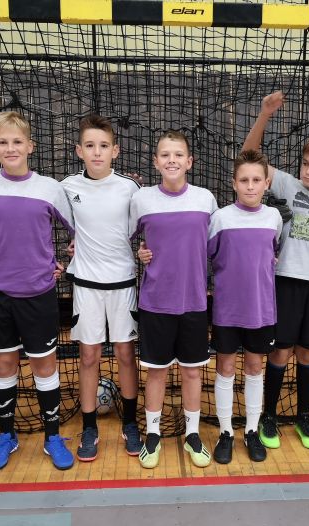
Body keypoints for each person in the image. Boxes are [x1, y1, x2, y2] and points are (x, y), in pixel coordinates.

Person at [0, 111, 77, 471]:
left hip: (38, 292)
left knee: (44, 365)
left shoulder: (49, 188)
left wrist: (67, 263)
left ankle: (52, 437)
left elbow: (79, 230)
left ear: (30, 146)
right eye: (3, 142)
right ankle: (7, 435)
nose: (11, 148)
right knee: (3, 364)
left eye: (17, 141)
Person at [243, 91, 309, 451]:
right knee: (280, 351)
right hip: (286, 279)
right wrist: (264, 114)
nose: (308, 170)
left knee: (308, 353)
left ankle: (303, 416)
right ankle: (269, 415)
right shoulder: (288, 184)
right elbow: (248, 156)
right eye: (305, 163)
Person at [130, 130, 218, 469]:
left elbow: (216, 244)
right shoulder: (142, 200)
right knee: (157, 373)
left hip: (194, 302)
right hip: (155, 302)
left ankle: (192, 435)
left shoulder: (205, 199)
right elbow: (130, 239)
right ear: (156, 162)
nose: (172, 160)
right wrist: (140, 253)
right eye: (165, 154)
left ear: (189, 161)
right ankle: (153, 435)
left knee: (192, 373)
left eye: (178, 154)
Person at [61, 114, 142, 462]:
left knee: (125, 354)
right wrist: (71, 243)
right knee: (89, 356)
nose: (97, 152)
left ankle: (131, 422)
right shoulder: (66, 187)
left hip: (123, 283)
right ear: (79, 150)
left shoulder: (130, 188)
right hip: (86, 285)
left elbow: (142, 230)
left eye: (104, 146)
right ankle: (89, 426)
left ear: (115, 151)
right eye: (90, 146)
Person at [208, 150, 283, 464]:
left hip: (260, 309)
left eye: (256, 180)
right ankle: (226, 432)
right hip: (227, 310)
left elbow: (273, 253)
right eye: (244, 180)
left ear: (266, 183)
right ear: (234, 183)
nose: (250, 186)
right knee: (225, 369)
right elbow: (208, 256)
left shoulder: (274, 218)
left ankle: (251, 430)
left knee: (254, 368)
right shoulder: (221, 218)